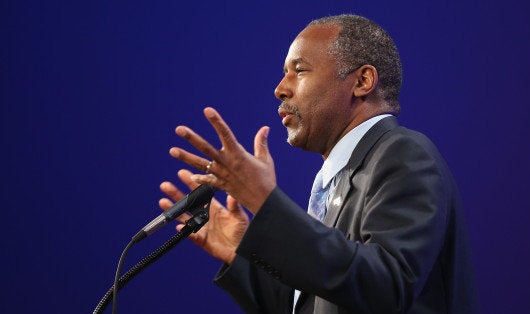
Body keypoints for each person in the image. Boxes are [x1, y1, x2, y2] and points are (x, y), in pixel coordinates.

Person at [159, 14, 478, 313]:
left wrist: (265, 202)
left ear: (362, 81)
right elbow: (319, 304)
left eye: (299, 70)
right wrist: (242, 254)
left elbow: (386, 287)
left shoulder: (403, 153)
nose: (280, 89)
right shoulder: (336, 180)